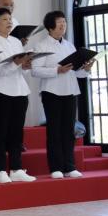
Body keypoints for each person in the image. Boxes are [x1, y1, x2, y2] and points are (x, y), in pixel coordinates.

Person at [30, 11, 94, 179]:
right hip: (51, 92)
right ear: (50, 27)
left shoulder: (69, 45)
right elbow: (35, 71)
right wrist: (57, 70)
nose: (63, 25)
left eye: (64, 22)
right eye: (59, 22)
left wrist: (85, 70)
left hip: (70, 91)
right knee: (54, 131)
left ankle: (70, 166)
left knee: (68, 130)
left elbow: (76, 72)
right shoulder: (41, 45)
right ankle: (55, 167)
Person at [0, 7, 36, 183]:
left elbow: (20, 70)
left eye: (10, 19)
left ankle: (16, 168)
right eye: (4, 19)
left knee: (16, 133)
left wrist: (25, 65)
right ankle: (0, 171)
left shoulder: (16, 42)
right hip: (0, 91)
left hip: (20, 90)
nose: (9, 22)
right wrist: (15, 64)